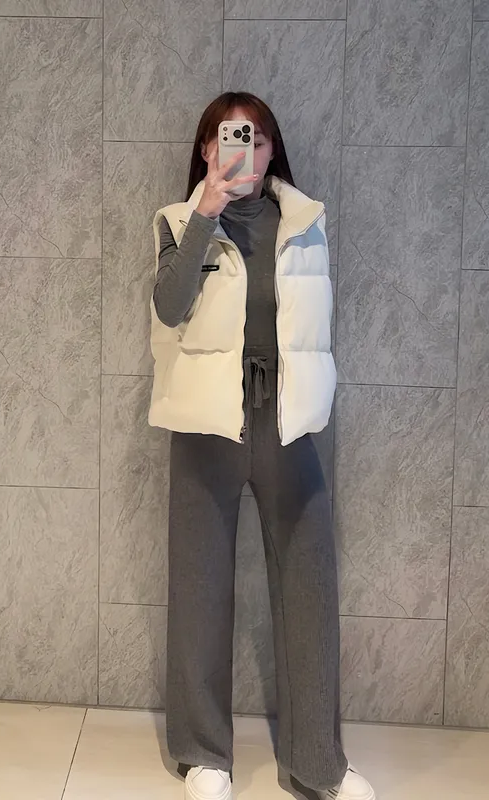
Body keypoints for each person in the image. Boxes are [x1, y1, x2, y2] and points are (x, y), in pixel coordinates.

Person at [149, 92, 375, 800]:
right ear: (207, 149)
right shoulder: (178, 221)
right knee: (199, 589)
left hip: (285, 418)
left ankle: (318, 763)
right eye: (227, 136)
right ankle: (203, 755)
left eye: (255, 137)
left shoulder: (304, 223)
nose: (241, 148)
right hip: (207, 422)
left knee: (310, 587)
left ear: (272, 150)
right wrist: (207, 213)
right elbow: (168, 306)